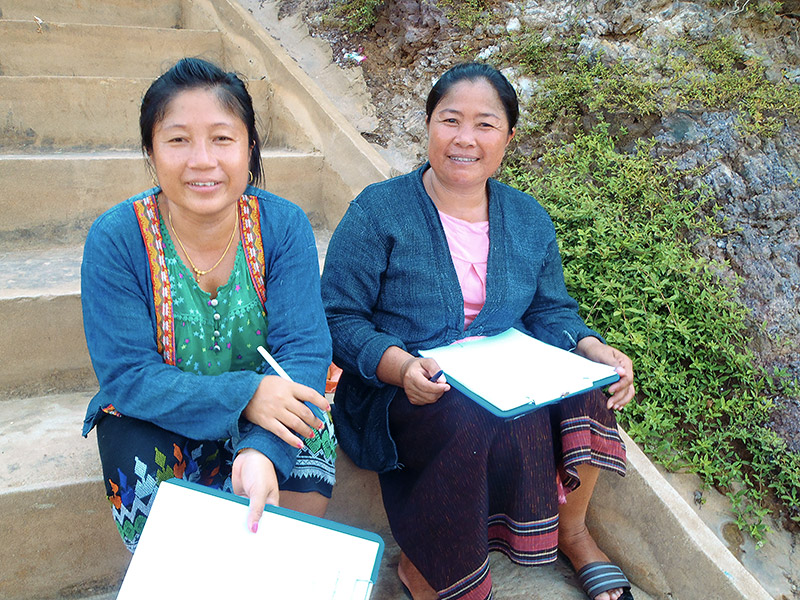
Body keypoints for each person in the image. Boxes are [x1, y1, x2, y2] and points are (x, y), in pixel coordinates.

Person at [321, 63, 635, 600]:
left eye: (485, 124)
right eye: (450, 120)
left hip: (502, 374)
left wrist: (591, 348)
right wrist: (398, 365)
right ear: (427, 126)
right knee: (469, 415)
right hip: (399, 388)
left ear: (508, 138)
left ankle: (574, 533)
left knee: (591, 389)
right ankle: (433, 565)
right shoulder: (379, 210)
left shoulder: (529, 218)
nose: (465, 139)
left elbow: (550, 310)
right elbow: (338, 317)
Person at [80, 57, 336, 552]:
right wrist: (246, 397)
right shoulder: (117, 239)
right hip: (159, 412)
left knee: (310, 430)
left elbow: (304, 351)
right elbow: (129, 376)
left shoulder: (282, 226)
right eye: (178, 140)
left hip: (271, 406)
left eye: (222, 138)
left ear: (249, 148)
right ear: (151, 153)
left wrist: (262, 449)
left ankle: (276, 570)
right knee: (137, 462)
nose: (202, 160)